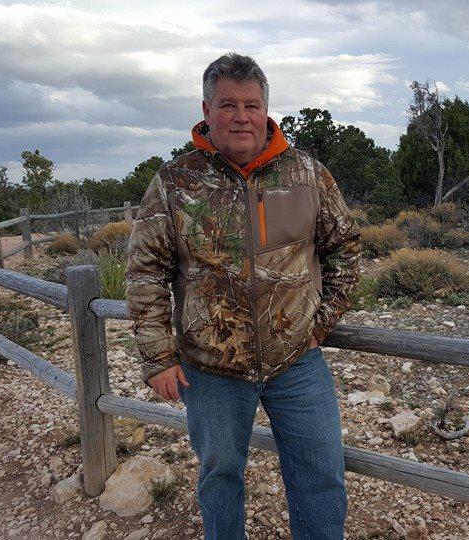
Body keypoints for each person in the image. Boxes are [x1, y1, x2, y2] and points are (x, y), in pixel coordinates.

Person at [125, 52, 361, 539]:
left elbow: (346, 251)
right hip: (209, 369)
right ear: (206, 110)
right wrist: (158, 357)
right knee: (219, 477)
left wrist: (320, 324)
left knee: (322, 475)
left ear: (267, 111)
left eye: (251, 104)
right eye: (228, 104)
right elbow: (145, 272)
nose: (241, 115)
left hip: (296, 360)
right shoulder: (175, 182)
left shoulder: (307, 175)